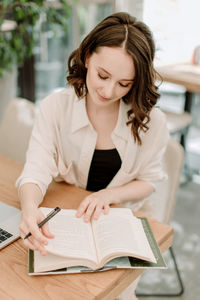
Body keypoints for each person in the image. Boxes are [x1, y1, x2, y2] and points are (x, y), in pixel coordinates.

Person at [17, 12, 169, 259]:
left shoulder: (152, 122)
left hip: (125, 223)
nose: (109, 91)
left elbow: (149, 181)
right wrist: (29, 209)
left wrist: (108, 195)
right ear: (87, 57)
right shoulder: (55, 108)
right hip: (70, 218)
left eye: (124, 84)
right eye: (103, 76)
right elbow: (36, 168)